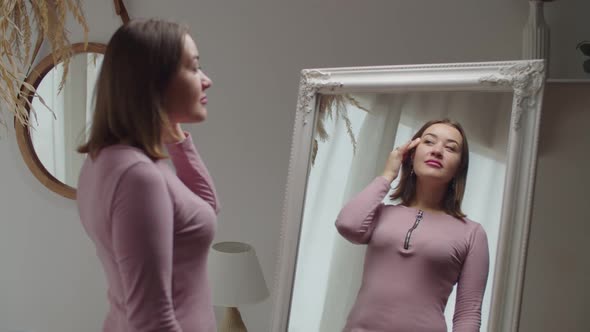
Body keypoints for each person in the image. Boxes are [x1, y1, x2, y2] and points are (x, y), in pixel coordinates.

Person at [76, 18, 220, 332]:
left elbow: (207, 209)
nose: (206, 80)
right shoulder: (138, 177)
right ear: (156, 81)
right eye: (194, 68)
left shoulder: (106, 158)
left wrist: (173, 134)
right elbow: (152, 322)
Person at [336, 119, 489, 332]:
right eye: (429, 142)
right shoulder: (380, 213)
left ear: (458, 168)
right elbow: (348, 225)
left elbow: (468, 314)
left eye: (450, 148)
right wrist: (388, 173)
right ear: (411, 155)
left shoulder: (471, 233)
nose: (437, 151)